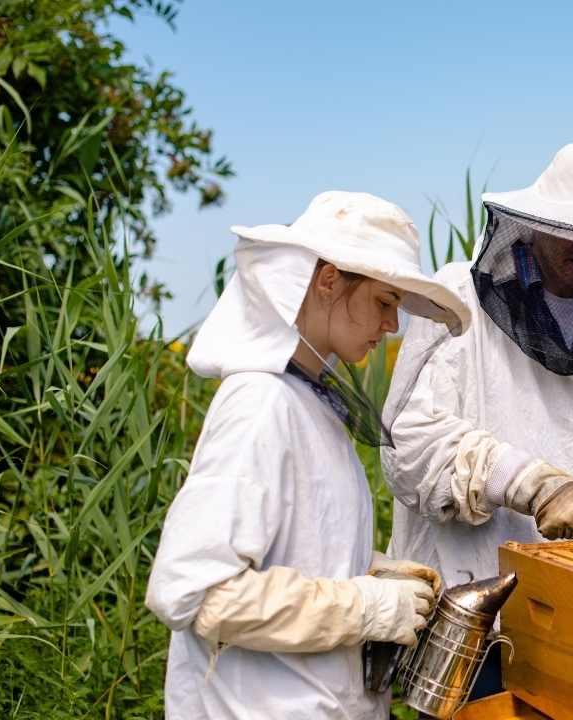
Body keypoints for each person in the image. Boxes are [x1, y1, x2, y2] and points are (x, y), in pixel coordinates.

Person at [380, 141, 573, 695]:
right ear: (536, 223)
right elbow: (410, 447)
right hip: (471, 613)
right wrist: (531, 484)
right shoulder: (458, 298)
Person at [145, 191, 471, 719]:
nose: (391, 326)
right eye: (384, 301)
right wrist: (362, 606)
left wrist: (374, 572)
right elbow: (197, 593)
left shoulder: (310, 400)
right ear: (327, 281)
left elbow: (294, 549)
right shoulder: (260, 403)